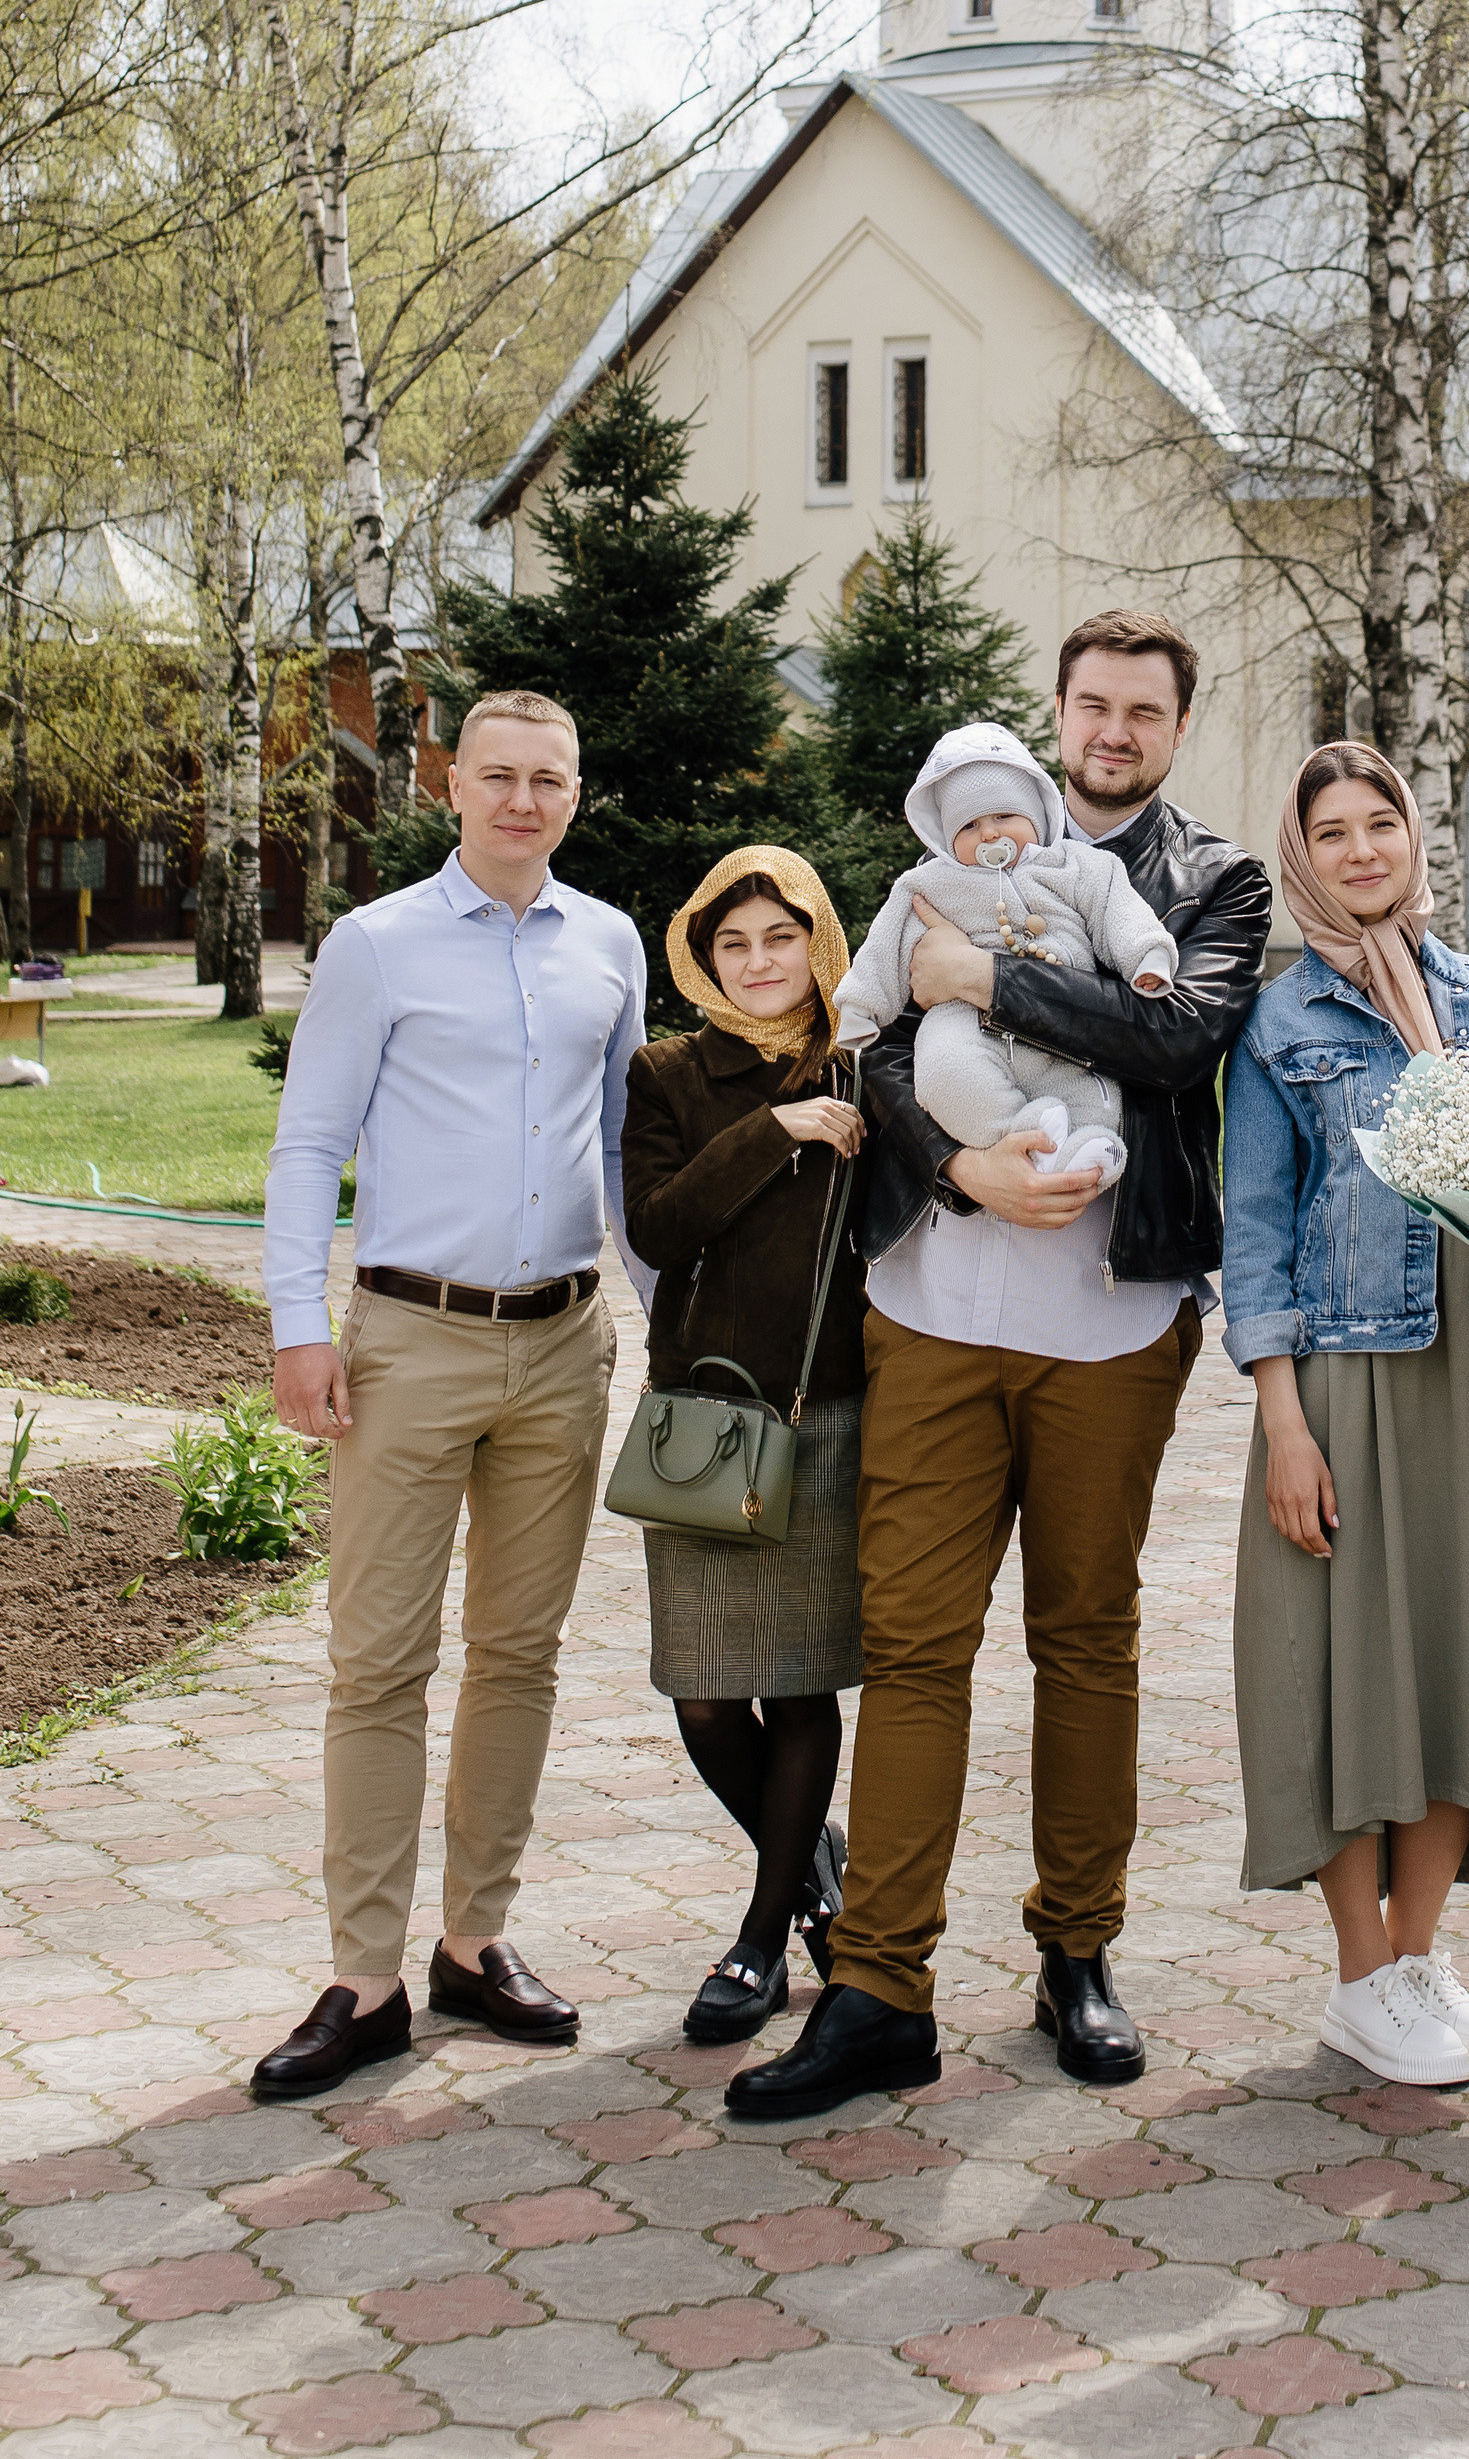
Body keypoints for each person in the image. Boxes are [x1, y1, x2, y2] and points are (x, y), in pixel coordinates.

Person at [724, 609, 1273, 2118]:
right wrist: (959, 1171)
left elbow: (1179, 1040)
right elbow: (876, 1045)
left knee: (1085, 1641)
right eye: (1088, 703)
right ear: (1056, 708)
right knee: (913, 1648)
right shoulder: (939, 852)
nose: (1111, 731)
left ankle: (1075, 1954)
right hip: (937, 1317)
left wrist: (995, 976)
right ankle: (880, 1986)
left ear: (1175, 726)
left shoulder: (1213, 879)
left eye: (1141, 712)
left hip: (1110, 1324)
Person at [252, 690, 645, 2099]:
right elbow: (308, 1148)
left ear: (575, 792)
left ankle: (475, 1944)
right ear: (451, 786)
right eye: (499, 777)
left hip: (565, 1345)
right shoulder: (376, 946)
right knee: (378, 1663)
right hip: (408, 1343)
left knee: (521, 1655)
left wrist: (667, 1324)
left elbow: (620, 1146)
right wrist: (303, 1328)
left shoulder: (611, 944)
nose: (523, 801)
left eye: (549, 778)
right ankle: (364, 1980)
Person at [1221, 742, 1469, 2089]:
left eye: (1381, 825)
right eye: (1333, 832)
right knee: (1352, 1681)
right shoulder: (1281, 1020)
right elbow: (1251, 1235)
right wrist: (1282, 1424)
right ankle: (1360, 1978)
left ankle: (1418, 1962)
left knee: (1455, 1671)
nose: (1362, 851)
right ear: (1303, 855)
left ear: (1414, 836)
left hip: (1467, 1380)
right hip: (1344, 1389)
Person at [621, 848, 869, 2045]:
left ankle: (764, 1941)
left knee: (802, 1681)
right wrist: (773, 1128)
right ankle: (814, 1862)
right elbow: (662, 1231)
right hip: (707, 1419)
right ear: (702, 956)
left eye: (780, 938)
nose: (761, 962)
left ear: (816, 939)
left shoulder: (868, 1062)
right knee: (711, 1698)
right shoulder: (669, 1073)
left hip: (831, 1415)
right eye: (735, 945)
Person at [834, 722, 1178, 1184]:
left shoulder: (1078, 867)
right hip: (967, 1023)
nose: (989, 835)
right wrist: (860, 1007)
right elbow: (886, 943)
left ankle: (1085, 1149)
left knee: (1094, 1095)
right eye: (970, 826)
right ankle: (1022, 1131)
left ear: (1036, 814)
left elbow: (1119, 912)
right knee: (943, 1072)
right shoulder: (931, 884)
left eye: (1003, 817)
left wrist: (1148, 957)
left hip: (1063, 1023)